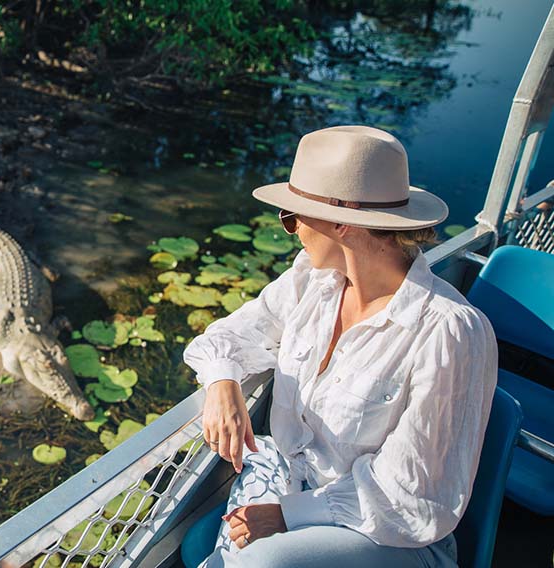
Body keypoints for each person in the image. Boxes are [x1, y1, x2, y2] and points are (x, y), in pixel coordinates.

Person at [183, 125, 499, 567]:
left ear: (343, 222)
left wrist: (287, 516)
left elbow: (412, 499)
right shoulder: (312, 281)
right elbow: (223, 338)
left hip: (385, 534)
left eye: (293, 217)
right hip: (291, 486)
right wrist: (221, 383)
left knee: (261, 564)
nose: (292, 231)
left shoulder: (449, 333)